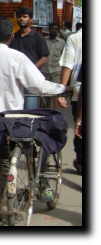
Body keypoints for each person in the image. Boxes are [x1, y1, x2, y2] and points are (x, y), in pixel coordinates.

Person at [0, 16, 72, 222]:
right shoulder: (17, 57)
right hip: (9, 121)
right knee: (6, 160)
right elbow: (38, 86)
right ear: (11, 36)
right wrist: (63, 88)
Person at [9, 7, 49, 109]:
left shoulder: (38, 37)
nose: (21, 19)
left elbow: (44, 58)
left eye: (25, 17)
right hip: (15, 81)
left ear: (30, 19)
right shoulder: (13, 37)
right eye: (19, 17)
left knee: (30, 112)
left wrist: (29, 69)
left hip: (31, 80)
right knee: (15, 112)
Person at [58, 26, 83, 175]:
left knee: (80, 128)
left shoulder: (74, 38)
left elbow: (68, 64)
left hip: (77, 91)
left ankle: (80, 161)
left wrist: (61, 90)